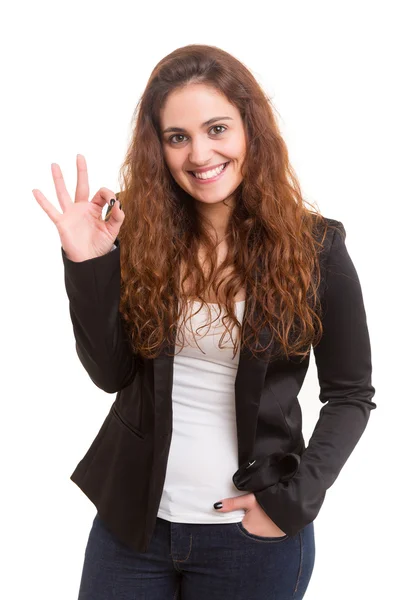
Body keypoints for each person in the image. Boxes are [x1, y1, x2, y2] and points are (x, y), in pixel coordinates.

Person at [32, 44, 376, 600]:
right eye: (178, 137)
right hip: (133, 530)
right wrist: (87, 262)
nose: (200, 153)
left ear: (249, 131)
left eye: (217, 128)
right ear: (159, 148)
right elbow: (110, 373)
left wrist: (291, 502)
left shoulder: (317, 248)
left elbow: (351, 394)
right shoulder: (135, 232)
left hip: (251, 536)